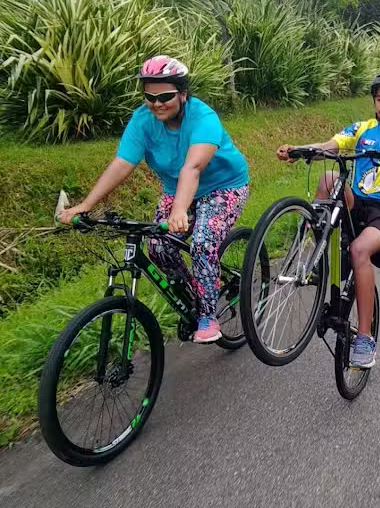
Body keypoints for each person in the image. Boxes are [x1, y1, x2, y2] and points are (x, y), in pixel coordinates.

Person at [59, 55, 250, 344]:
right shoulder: (143, 120)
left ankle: (208, 315)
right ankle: (198, 292)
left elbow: (192, 168)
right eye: (150, 97)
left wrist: (180, 210)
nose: (157, 103)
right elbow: (122, 164)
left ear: (183, 94)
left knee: (202, 243)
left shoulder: (203, 117)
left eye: (165, 97)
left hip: (223, 186)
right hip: (177, 188)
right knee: (158, 247)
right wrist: (86, 205)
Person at [276, 70, 380, 368]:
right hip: (357, 205)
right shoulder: (361, 128)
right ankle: (319, 255)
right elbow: (331, 146)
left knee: (359, 250)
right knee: (329, 177)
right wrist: (300, 150)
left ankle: (365, 338)